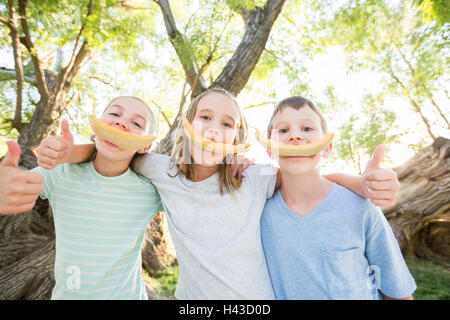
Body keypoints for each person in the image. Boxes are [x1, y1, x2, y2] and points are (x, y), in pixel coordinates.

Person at [30, 88, 401, 299]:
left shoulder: (254, 178)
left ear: (237, 141)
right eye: (205, 117)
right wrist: (71, 152)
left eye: (227, 124)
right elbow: (115, 148)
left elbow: (307, 173)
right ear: (185, 127)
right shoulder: (159, 170)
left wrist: (362, 184)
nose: (213, 129)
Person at [0, 96, 163, 299]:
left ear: (145, 146)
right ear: (98, 126)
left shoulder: (149, 191)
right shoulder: (59, 173)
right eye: (114, 114)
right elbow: (17, 185)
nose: (121, 123)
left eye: (137, 123)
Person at [260, 96, 416, 300]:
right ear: (269, 149)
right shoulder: (259, 214)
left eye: (307, 129)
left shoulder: (360, 207)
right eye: (283, 130)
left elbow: (396, 292)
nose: (295, 136)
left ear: (327, 148)